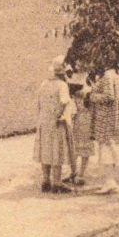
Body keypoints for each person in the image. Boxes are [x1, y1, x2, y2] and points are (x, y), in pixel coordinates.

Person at [33, 60, 72, 193]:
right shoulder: (62, 86)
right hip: (55, 122)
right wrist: (59, 115)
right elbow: (63, 101)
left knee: (45, 149)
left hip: (44, 121)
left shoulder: (44, 84)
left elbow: (38, 102)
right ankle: (57, 182)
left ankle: (45, 180)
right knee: (57, 150)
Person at [87, 68, 119, 188]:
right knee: (108, 146)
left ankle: (109, 181)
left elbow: (109, 97)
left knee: (106, 147)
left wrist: (91, 96)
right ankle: (110, 179)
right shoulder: (115, 73)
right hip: (111, 116)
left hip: (106, 117)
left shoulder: (107, 75)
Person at [64, 73, 95, 187]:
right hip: (76, 120)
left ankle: (80, 174)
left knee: (84, 146)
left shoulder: (88, 91)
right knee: (74, 146)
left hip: (85, 120)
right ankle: (74, 172)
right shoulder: (75, 90)